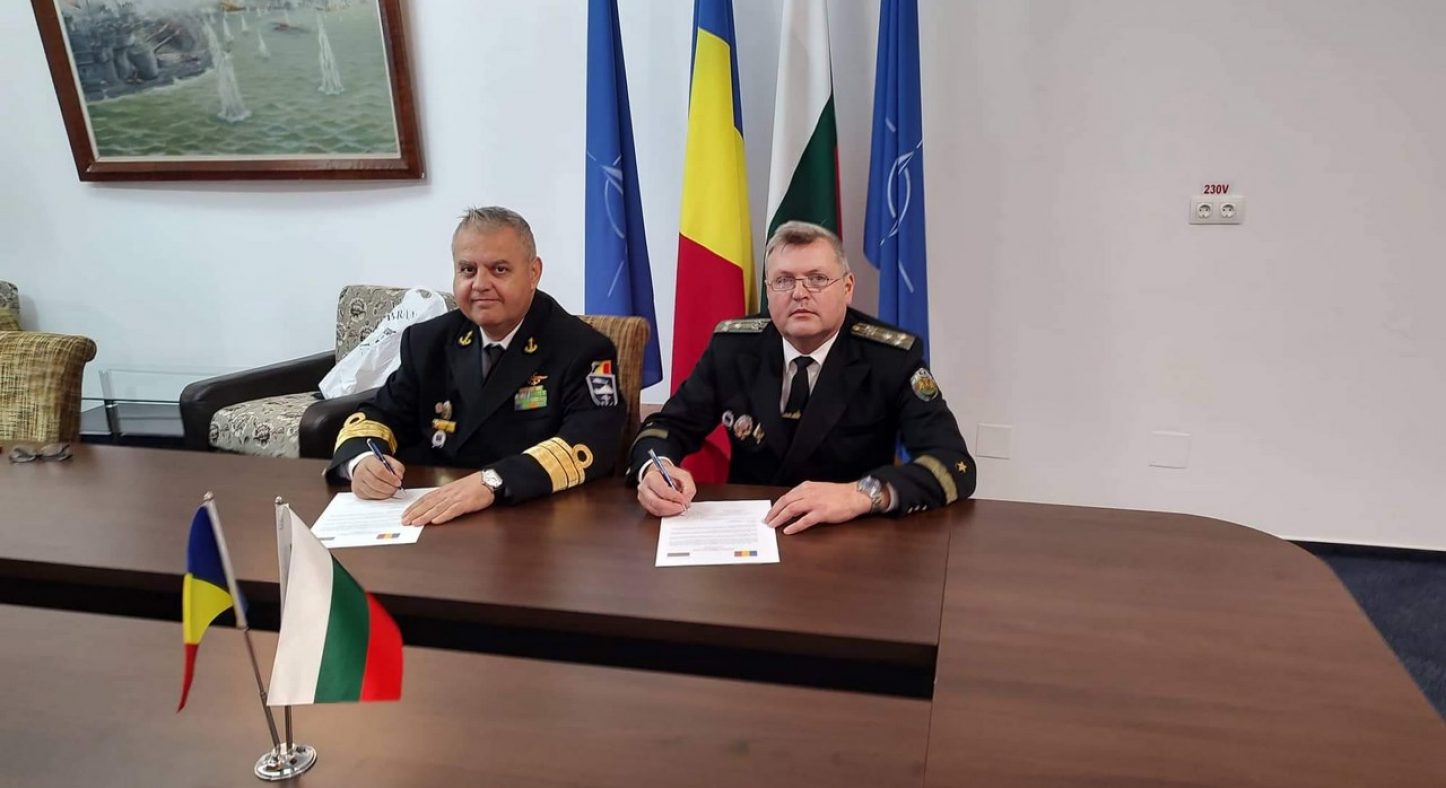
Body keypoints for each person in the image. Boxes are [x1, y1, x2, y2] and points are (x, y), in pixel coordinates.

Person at [630, 221, 975, 534]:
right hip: (752, 532)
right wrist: (655, 470)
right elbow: (667, 427)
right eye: (783, 281)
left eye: (818, 279)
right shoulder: (733, 348)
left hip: (852, 536)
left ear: (847, 287)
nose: (799, 293)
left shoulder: (890, 358)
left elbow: (953, 464)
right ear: (768, 291)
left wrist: (862, 494)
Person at [329, 206, 624, 525]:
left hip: (529, 517)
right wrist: (362, 461)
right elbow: (380, 414)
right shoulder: (428, 340)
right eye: (468, 270)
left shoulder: (581, 348)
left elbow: (590, 442)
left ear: (533, 273)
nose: (480, 284)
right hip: (429, 512)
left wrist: (492, 481)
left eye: (499, 269)